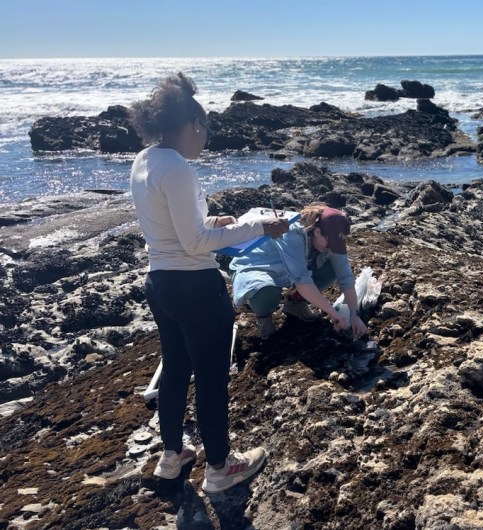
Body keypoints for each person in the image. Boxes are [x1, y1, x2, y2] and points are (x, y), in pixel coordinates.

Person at [129, 73, 288, 493]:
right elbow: (196, 243)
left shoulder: (145, 159)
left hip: (160, 283)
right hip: (196, 288)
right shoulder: (178, 168)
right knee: (212, 378)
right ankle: (219, 467)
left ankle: (171, 455)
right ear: (192, 125)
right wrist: (258, 226)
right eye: (204, 128)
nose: (205, 138)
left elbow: (173, 225)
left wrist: (214, 221)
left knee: (175, 369)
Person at [229, 202, 368, 341]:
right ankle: (263, 317)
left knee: (331, 269)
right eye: (330, 244)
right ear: (317, 231)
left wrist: (354, 315)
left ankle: (295, 304)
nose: (332, 248)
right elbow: (302, 282)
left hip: (291, 269)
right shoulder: (291, 233)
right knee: (267, 293)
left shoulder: (331, 240)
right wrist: (335, 315)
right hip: (258, 266)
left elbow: (345, 277)